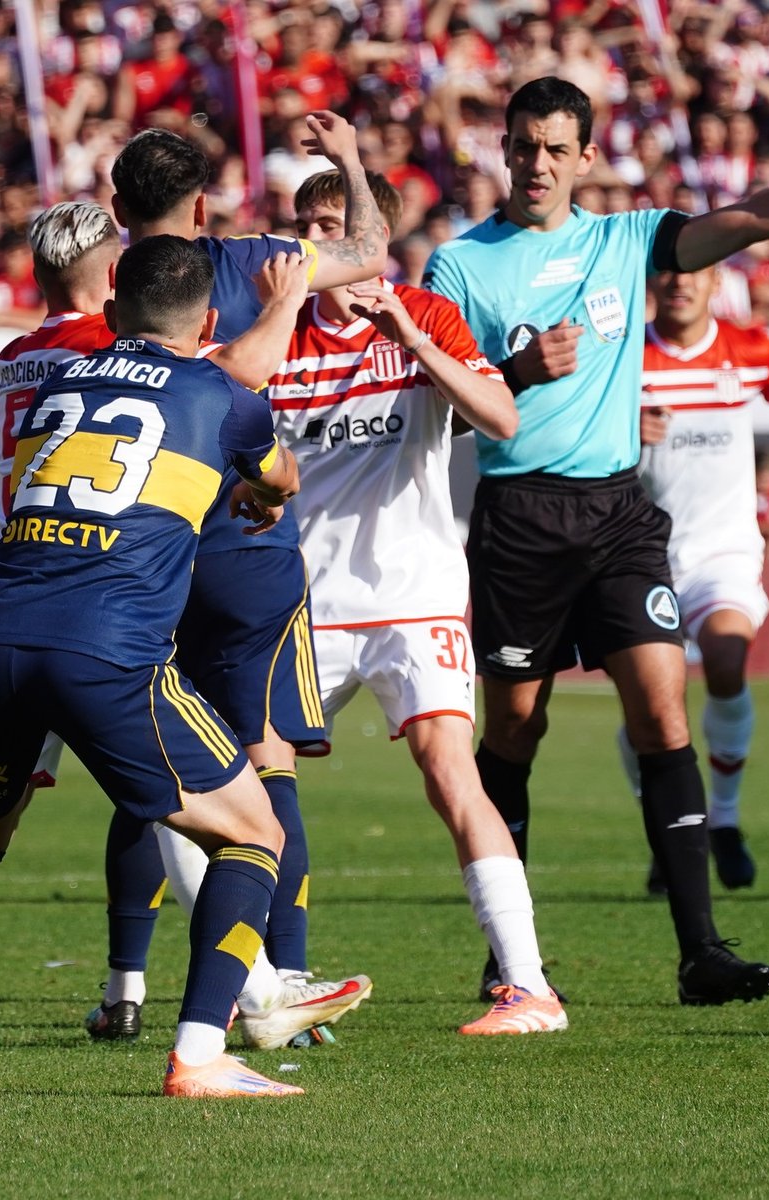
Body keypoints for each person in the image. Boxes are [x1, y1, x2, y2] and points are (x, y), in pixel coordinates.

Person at [422, 76, 769, 1005]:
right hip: (518, 520)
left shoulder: (628, 241)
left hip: (620, 515)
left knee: (663, 713)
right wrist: (514, 370)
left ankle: (702, 951)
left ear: (586, 158)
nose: (537, 163)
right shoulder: (459, 268)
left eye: (555, 148)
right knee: (514, 731)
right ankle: (510, 957)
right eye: (523, 144)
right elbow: (440, 412)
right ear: (502, 148)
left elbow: (747, 219)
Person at [0, 199, 366, 1059]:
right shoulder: (211, 383)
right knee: (249, 829)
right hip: (107, 638)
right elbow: (269, 460)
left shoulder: (36, 367)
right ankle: (220, 1037)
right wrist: (257, 465)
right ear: (205, 321)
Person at [97, 117, 388, 1049]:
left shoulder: (114, 295)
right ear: (202, 205)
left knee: (155, 770)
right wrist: (346, 162)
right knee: (265, 757)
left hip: (135, 557)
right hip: (242, 545)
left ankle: (140, 979)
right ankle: (277, 977)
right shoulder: (263, 258)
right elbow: (374, 250)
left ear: (117, 211)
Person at [272, 169, 566, 1035]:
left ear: (376, 235)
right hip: (308, 602)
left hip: (415, 595)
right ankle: (283, 985)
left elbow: (502, 417)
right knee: (253, 779)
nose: (318, 239)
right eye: (307, 225)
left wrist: (413, 337)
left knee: (451, 772)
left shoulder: (425, 315)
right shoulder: (276, 335)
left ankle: (528, 985)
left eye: (337, 222)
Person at [620, 264, 769, 893]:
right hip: (639, 555)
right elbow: (568, 429)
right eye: (666, 272)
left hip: (723, 550)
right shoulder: (624, 358)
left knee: (725, 656)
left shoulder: (748, 348)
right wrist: (622, 432)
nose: (680, 283)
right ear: (651, 283)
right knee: (651, 706)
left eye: (694, 271)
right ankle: (670, 832)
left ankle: (723, 819)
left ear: (716, 279)